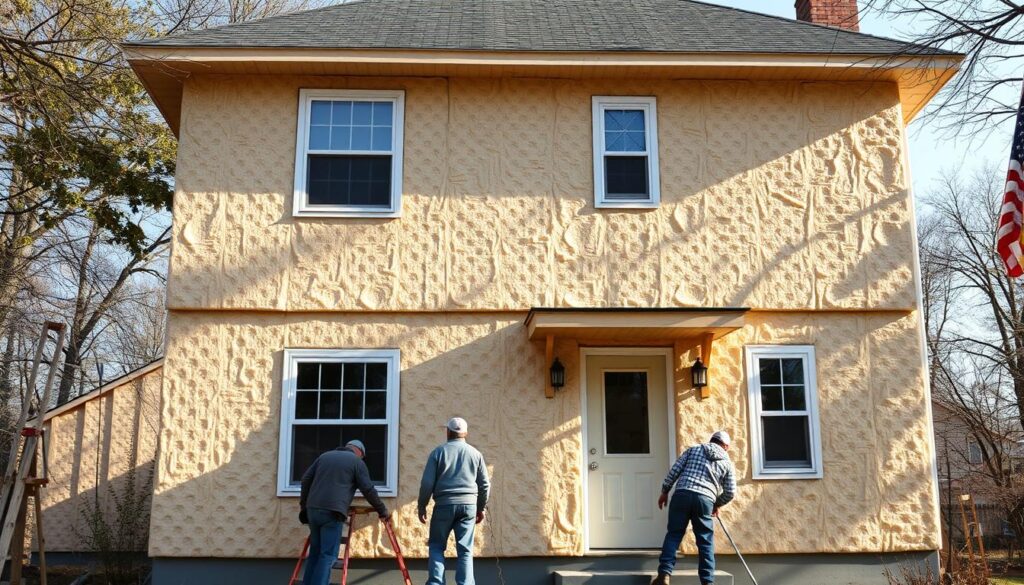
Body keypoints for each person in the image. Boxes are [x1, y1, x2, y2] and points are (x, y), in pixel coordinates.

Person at [299, 439, 389, 585]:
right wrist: (382, 510)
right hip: (332, 512)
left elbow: (305, 479)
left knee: (315, 553)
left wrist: (304, 505)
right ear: (360, 452)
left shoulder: (324, 456)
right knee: (327, 556)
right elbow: (368, 489)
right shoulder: (357, 462)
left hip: (312, 510)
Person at [652, 430, 737, 585]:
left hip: (682, 495)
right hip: (704, 501)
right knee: (705, 542)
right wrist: (716, 503)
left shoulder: (694, 450)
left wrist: (665, 491)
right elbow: (731, 492)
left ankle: (664, 575)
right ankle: (707, 582)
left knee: (674, 535)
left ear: (712, 440)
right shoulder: (727, 462)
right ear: (726, 446)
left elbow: (674, 471)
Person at [418, 417, 490, 585]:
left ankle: (436, 583)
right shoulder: (476, 454)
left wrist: (422, 506)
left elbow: (427, 483)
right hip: (469, 506)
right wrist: (481, 508)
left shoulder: (438, 452)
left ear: (448, 432)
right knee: (465, 550)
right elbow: (485, 484)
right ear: (465, 433)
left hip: (444, 505)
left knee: (436, 546)